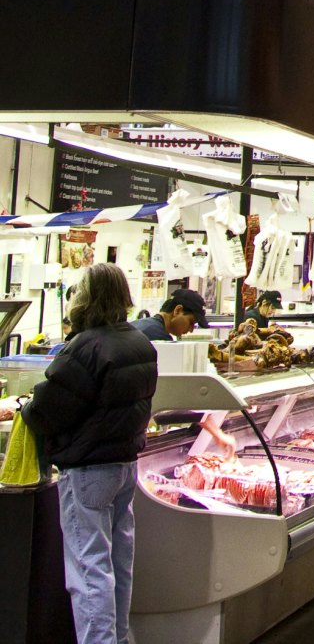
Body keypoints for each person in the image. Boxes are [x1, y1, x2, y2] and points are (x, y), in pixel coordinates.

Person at [23, 263, 159, 644]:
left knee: (89, 570)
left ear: (87, 295)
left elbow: (48, 410)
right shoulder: (137, 341)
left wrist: (26, 409)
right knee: (118, 563)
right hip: (124, 467)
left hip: (87, 471)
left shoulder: (86, 347)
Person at [132, 287, 207, 341]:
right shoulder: (159, 337)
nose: (191, 330)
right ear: (177, 310)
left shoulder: (141, 324)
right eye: (191, 322)